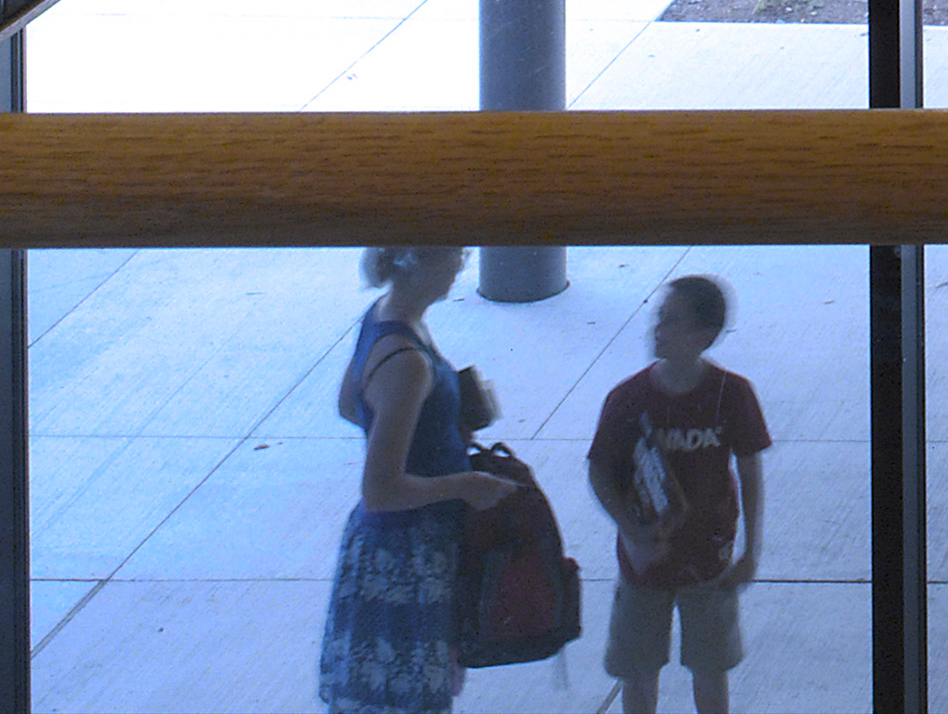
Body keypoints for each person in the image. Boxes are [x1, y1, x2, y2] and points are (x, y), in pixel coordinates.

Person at [317, 241, 531, 711]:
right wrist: (463, 484)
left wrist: (430, 433)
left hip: (387, 551)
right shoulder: (409, 362)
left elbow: (350, 404)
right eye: (454, 255)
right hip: (406, 561)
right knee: (408, 697)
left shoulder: (386, 317)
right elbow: (380, 489)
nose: (461, 265)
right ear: (420, 263)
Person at [583, 271, 771, 707]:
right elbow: (599, 472)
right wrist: (630, 528)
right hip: (643, 565)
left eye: (672, 321)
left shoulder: (733, 395)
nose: (658, 329)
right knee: (637, 669)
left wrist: (751, 552)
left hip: (710, 562)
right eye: (658, 317)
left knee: (710, 668)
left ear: (704, 336)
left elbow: (750, 474)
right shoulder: (627, 399)